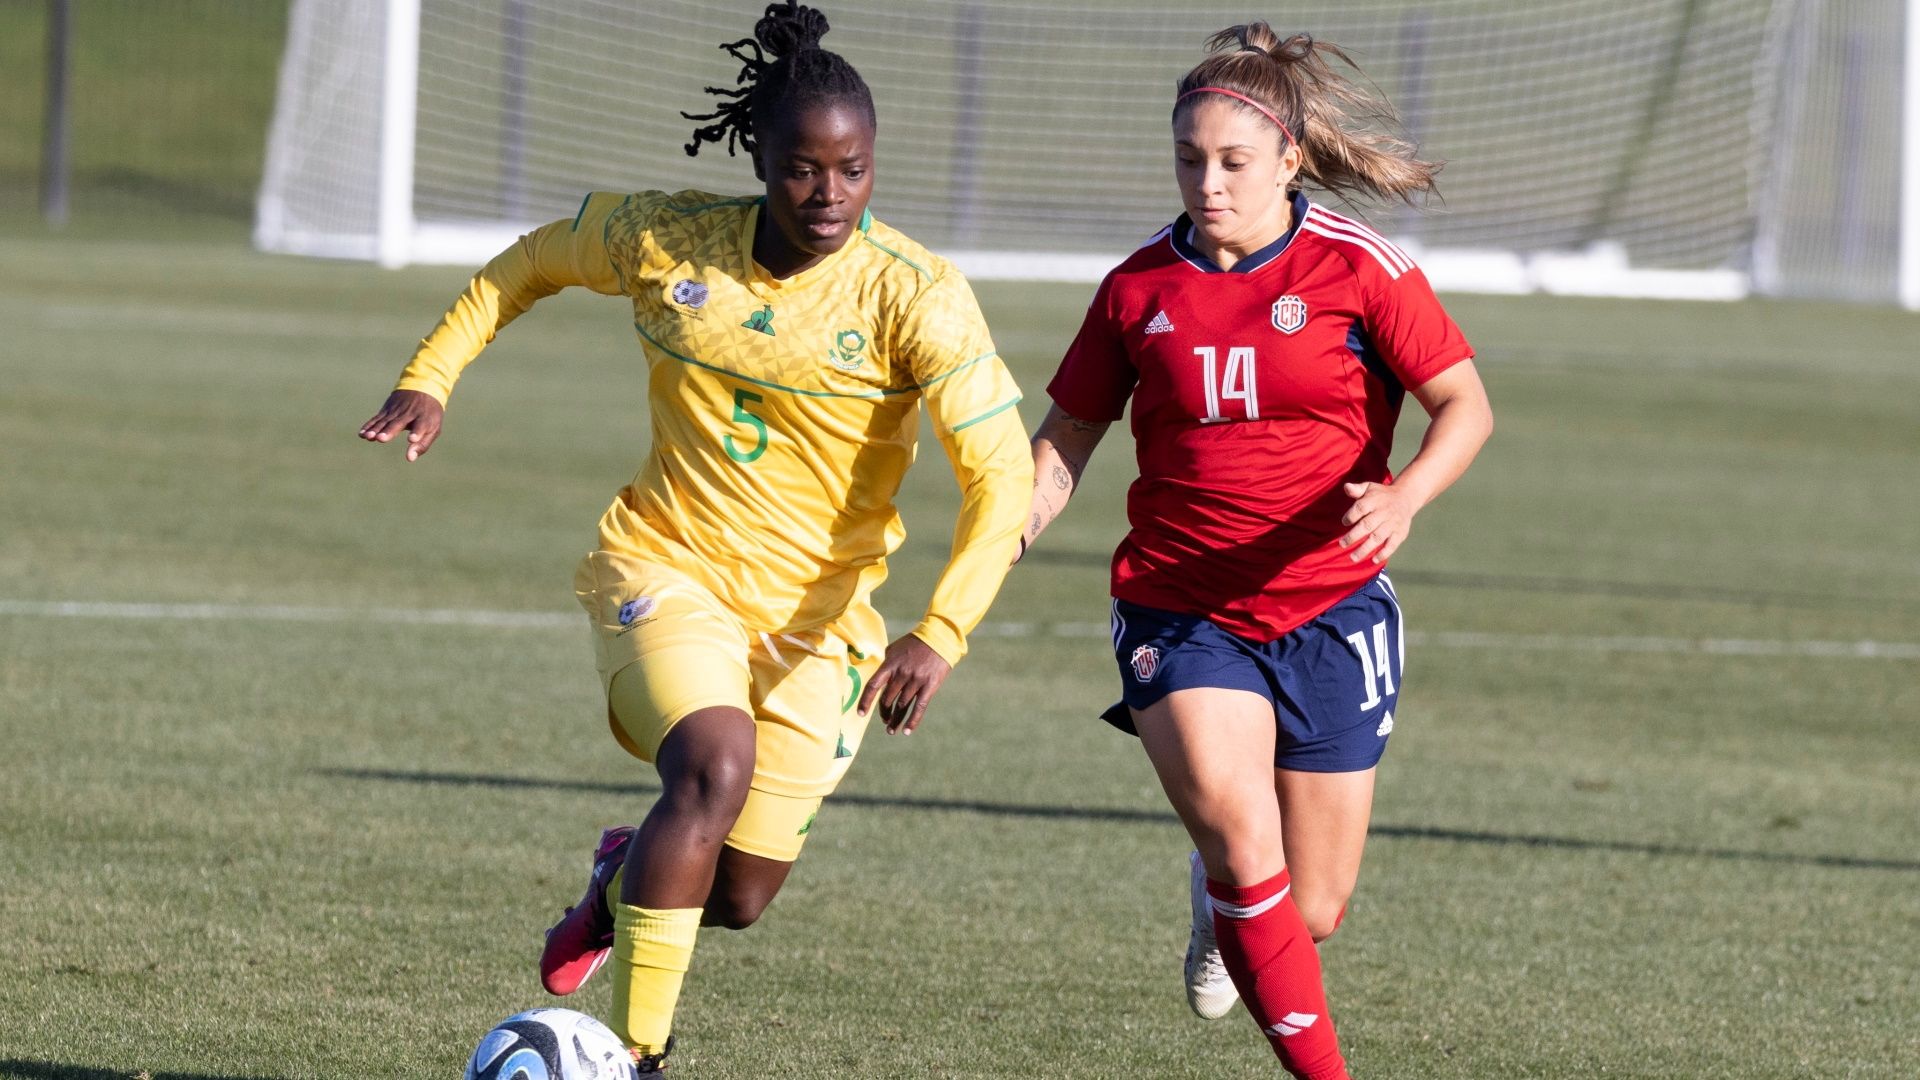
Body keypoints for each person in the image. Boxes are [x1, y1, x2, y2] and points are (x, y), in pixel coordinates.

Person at [357, 3, 1031, 1072]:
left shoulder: (917, 298)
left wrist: (940, 631)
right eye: (803, 169)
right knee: (715, 765)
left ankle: (615, 883)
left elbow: (1002, 477)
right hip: (665, 571)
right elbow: (524, 266)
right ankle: (638, 1055)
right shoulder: (666, 240)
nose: (830, 194)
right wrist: (430, 376)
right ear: (758, 158)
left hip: (819, 625)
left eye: (854, 170)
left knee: (742, 892)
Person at [1021, 24, 1493, 1080]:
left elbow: (1465, 405)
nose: (1208, 183)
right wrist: (1005, 529)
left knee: (1309, 907)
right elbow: (1069, 437)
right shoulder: (1138, 288)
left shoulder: (1358, 268)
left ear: (1289, 159)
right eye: (1189, 159)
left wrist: (1406, 496)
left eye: (1233, 162)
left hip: (1329, 605)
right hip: (1179, 602)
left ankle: (1217, 898)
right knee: (1247, 849)